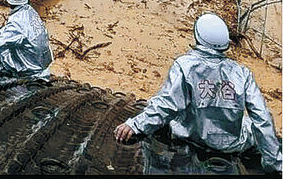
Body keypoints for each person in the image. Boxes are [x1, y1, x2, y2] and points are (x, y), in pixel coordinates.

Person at [114, 13, 282, 174]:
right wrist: (274, 164)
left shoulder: (184, 65)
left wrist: (135, 124)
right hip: (231, 143)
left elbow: (167, 105)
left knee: (156, 104)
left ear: (197, 38)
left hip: (192, 136)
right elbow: (262, 118)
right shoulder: (242, 72)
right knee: (255, 122)